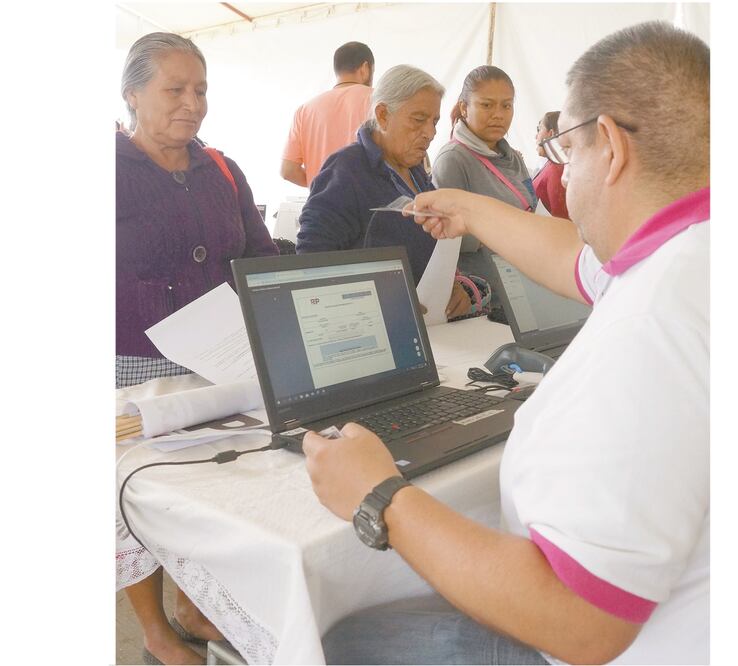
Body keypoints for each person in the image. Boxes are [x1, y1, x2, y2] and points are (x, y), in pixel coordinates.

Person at [303, 20, 709, 665]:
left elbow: (584, 624)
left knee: (333, 638)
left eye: (566, 156)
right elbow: (576, 257)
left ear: (610, 146)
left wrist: (381, 497)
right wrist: (470, 208)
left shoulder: (649, 332)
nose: (563, 178)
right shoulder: (689, 255)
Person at [117, 32, 279, 665]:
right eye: (174, 89)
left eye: (201, 89)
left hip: (217, 358)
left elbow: (258, 254)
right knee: (137, 494)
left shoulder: (220, 169)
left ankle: (194, 603)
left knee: (205, 486)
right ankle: (156, 631)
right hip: (131, 360)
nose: (192, 103)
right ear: (132, 94)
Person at [296, 64, 471, 319]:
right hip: (370, 326)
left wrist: (452, 287)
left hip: (428, 325)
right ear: (383, 115)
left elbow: (431, 247)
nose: (431, 133)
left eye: (434, 122)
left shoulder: (417, 173)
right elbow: (312, 260)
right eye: (419, 120)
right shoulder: (346, 169)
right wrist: (377, 302)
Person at [431, 65, 537, 255]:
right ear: (464, 108)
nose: (498, 115)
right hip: (479, 279)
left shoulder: (513, 158)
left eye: (506, 106)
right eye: (487, 105)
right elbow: (448, 236)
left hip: (521, 270)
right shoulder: (453, 160)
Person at [280, 41, 375, 188]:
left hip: (321, 207)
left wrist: (323, 185)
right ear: (365, 68)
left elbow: (288, 170)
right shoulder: (378, 101)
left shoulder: (305, 109)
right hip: (367, 203)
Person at [532, 111, 570, 218]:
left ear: (551, 133)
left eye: (539, 129)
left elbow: (562, 220)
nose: (536, 136)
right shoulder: (551, 164)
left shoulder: (557, 169)